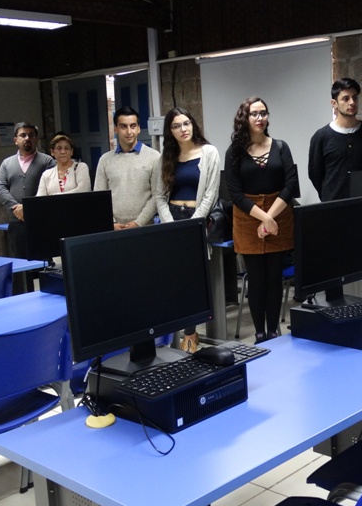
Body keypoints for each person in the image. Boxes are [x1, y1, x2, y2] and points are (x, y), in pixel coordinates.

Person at [225, 97, 298, 343]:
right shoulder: (234, 152)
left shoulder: (280, 146)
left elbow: (290, 186)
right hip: (248, 219)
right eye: (254, 114)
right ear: (245, 119)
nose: (260, 118)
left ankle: (274, 331)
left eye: (263, 113)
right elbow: (235, 194)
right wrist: (265, 218)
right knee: (256, 280)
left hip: (280, 215)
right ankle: (259, 334)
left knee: (274, 278)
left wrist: (271, 217)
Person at [152, 107, 221, 352]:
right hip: (172, 219)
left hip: (196, 219)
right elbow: (159, 196)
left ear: (193, 124)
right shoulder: (166, 158)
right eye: (176, 126)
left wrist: (194, 224)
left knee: (194, 280)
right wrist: (171, 225)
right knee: (174, 281)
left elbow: (211, 193)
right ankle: (172, 334)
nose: (183, 129)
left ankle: (191, 334)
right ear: (169, 131)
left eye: (186, 123)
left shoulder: (209, 152)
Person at [307, 77, 362, 202]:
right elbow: (315, 174)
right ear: (334, 103)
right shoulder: (321, 137)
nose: (352, 102)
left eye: (355, 97)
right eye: (346, 98)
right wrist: (329, 195)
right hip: (333, 207)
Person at [94, 105, 160, 230]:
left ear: (139, 128)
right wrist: (111, 223)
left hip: (144, 228)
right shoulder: (105, 160)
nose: (129, 132)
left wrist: (139, 222)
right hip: (113, 229)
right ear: (115, 129)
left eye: (133, 126)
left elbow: (157, 195)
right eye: (123, 126)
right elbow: (99, 197)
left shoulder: (154, 157)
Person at [0, 122, 54, 259]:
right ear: (15, 140)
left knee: (43, 262)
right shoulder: (7, 163)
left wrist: (29, 209)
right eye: (23, 135)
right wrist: (16, 207)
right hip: (16, 221)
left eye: (31, 135)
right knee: (21, 264)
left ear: (36, 139)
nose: (27, 138)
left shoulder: (47, 161)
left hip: (41, 221)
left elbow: (51, 188)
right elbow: (0, 188)